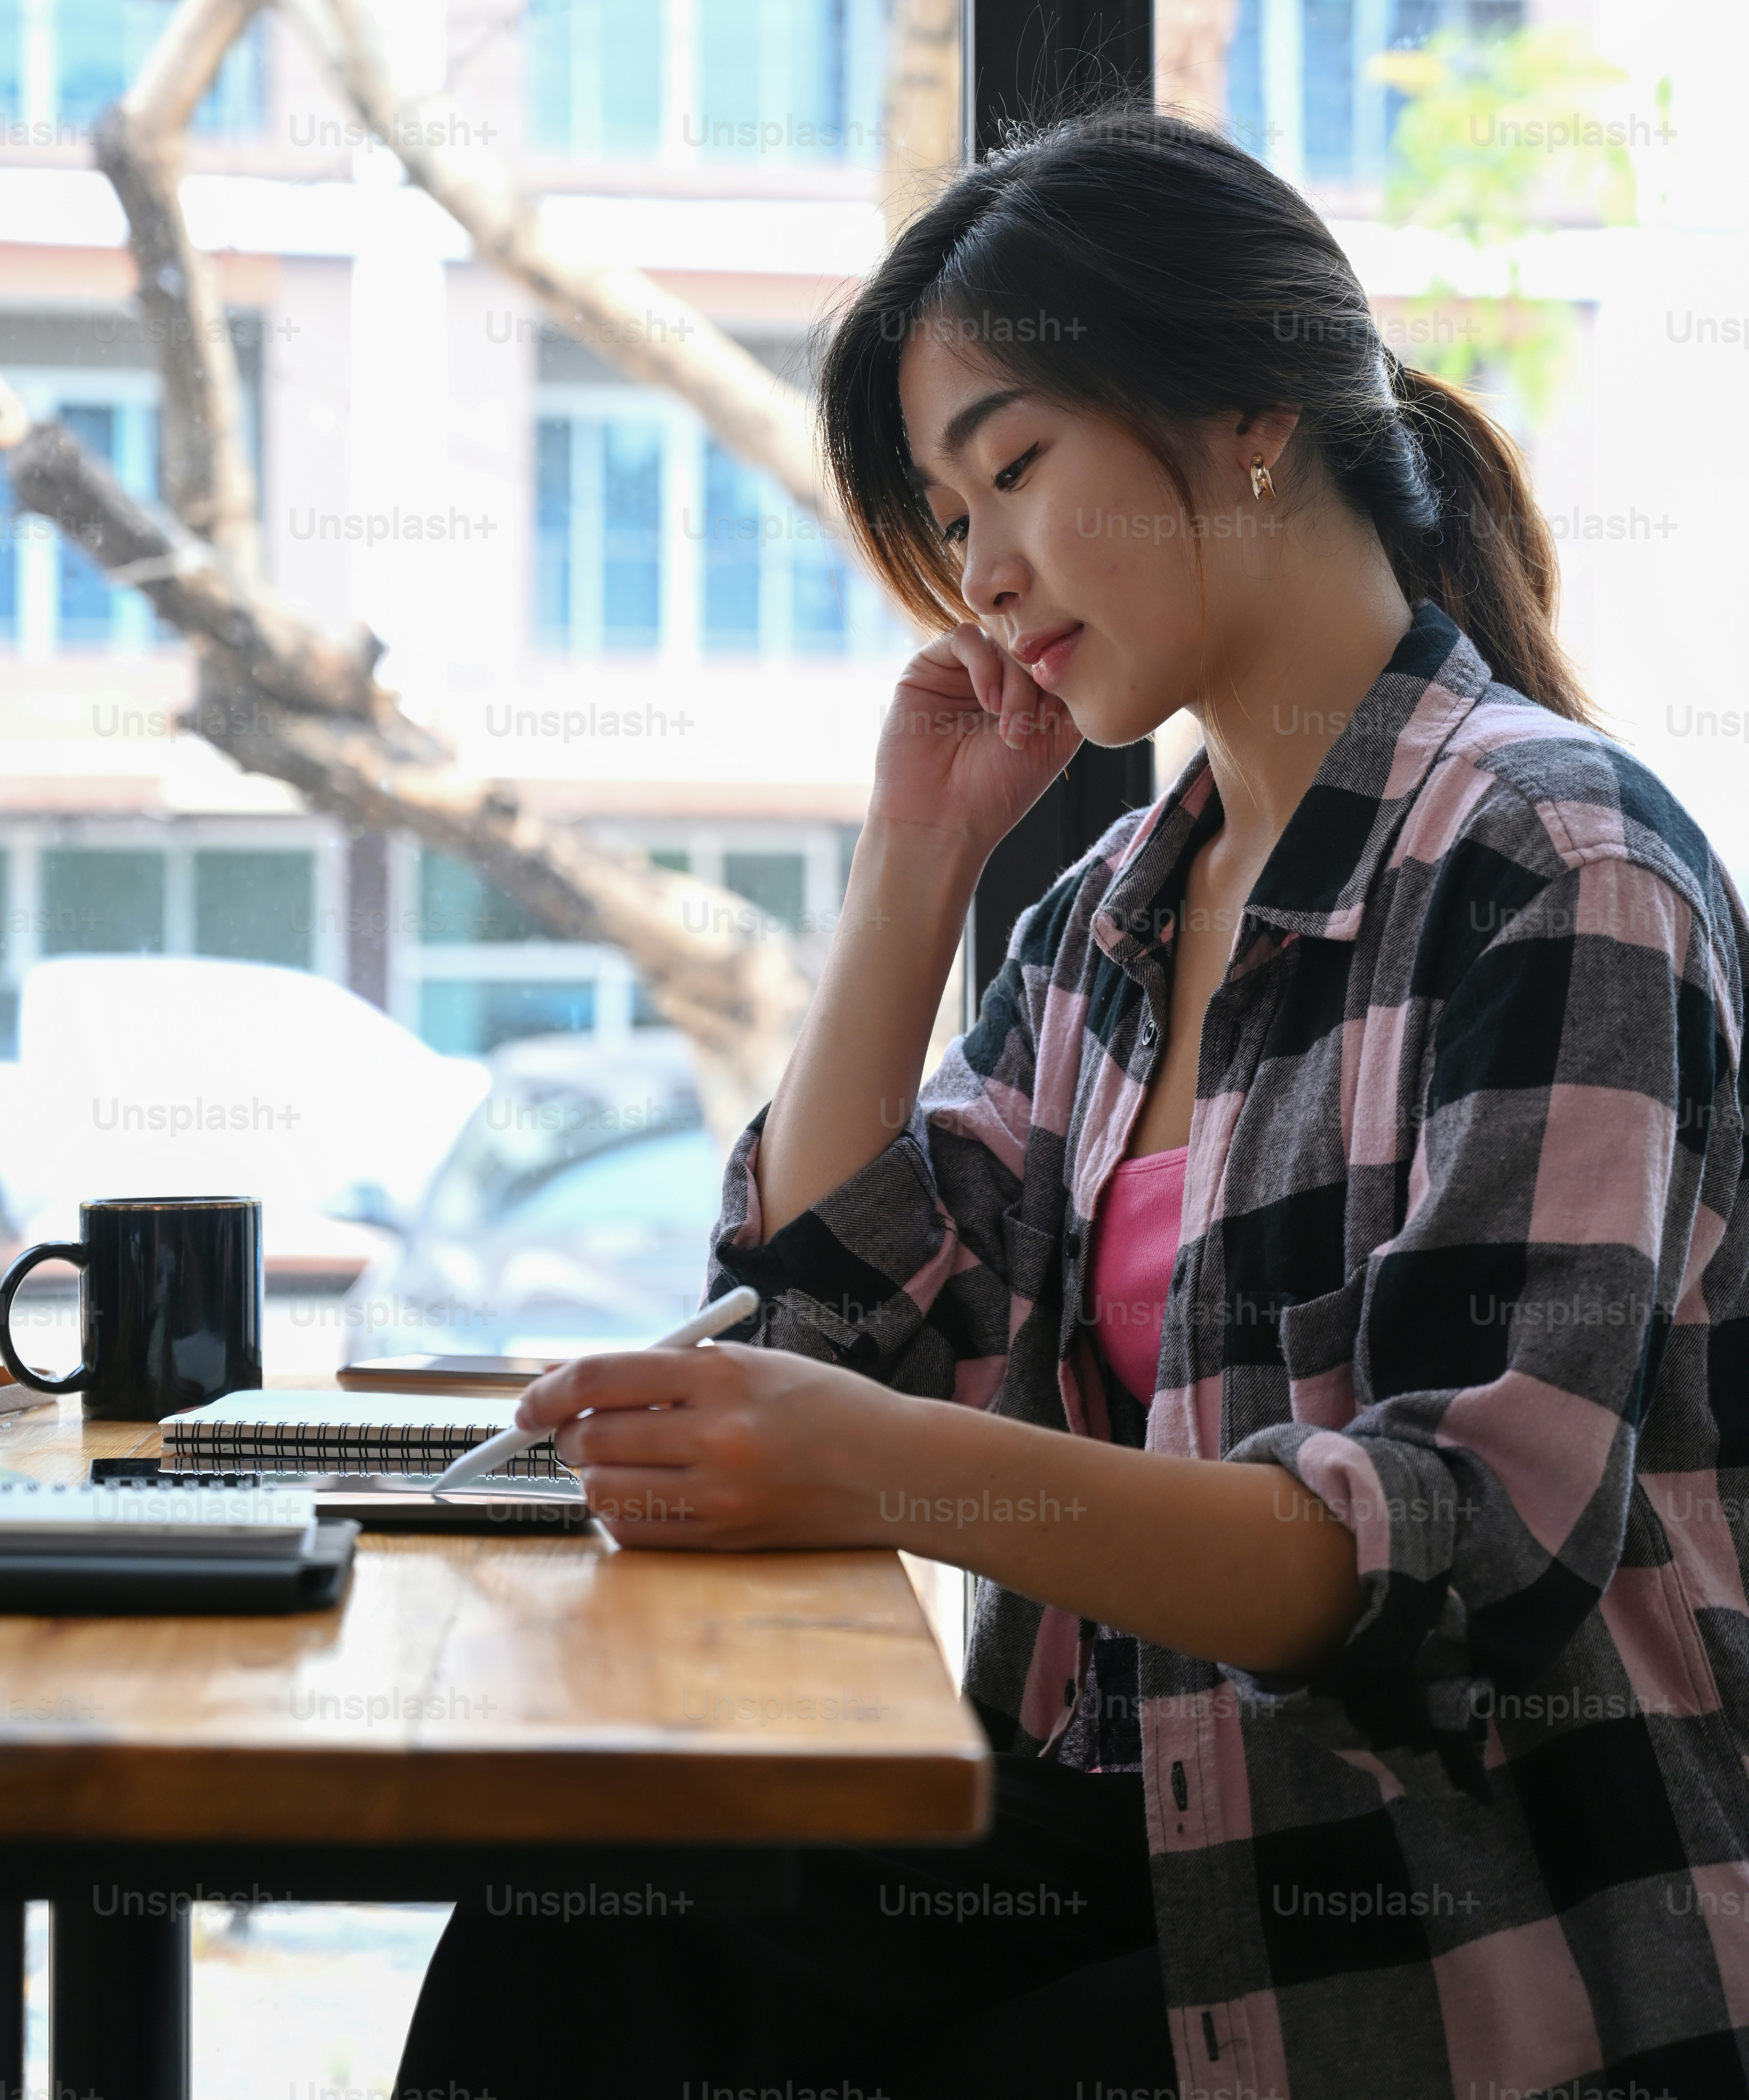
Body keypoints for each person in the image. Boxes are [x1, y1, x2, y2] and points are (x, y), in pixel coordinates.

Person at [396, 110, 1749, 2100]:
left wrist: (897, 1472)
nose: (983, 572)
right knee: (580, 1932)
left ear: (1252, 411)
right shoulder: (1121, 908)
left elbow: (1477, 1548)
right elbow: (826, 1327)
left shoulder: (1556, 862)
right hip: (1142, 1823)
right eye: (952, 515)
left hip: (1476, 1900)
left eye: (1014, 466)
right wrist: (917, 860)